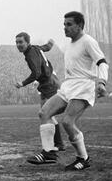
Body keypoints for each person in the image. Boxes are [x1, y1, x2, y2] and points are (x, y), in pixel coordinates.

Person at [27, 11, 108, 170]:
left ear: (80, 25)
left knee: (67, 122)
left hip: (83, 87)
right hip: (68, 86)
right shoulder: (70, 44)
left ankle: (83, 158)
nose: (65, 28)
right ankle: (49, 153)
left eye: (69, 24)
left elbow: (102, 62)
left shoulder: (88, 41)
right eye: (64, 24)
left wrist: (102, 82)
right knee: (44, 113)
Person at [15, 32, 65, 152]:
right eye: (16, 42)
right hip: (49, 81)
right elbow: (46, 47)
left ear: (27, 42)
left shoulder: (30, 54)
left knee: (45, 113)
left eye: (21, 42)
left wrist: (23, 83)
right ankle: (58, 143)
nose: (18, 45)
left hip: (48, 84)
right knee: (46, 114)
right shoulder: (35, 48)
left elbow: (36, 73)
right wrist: (51, 43)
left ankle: (55, 145)